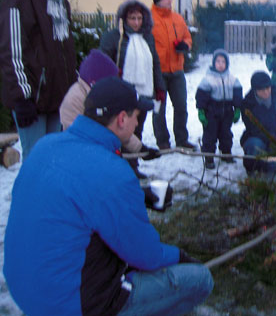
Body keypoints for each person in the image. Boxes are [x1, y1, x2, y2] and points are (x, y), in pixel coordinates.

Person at [3, 76, 213, 315]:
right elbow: (146, 255)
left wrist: (136, 195)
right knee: (199, 279)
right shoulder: (112, 172)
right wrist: (180, 256)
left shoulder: (46, 146)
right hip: (67, 304)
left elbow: (78, 194)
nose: (137, 123)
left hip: (24, 288)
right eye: (136, 116)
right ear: (122, 119)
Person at [0, 0, 78, 161]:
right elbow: (11, 52)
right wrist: (22, 96)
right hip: (31, 99)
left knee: (54, 158)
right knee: (36, 160)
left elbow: (64, 52)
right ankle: (28, 196)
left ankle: (50, 196)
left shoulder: (60, 3)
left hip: (57, 98)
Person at [59, 49, 160, 178]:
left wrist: (140, 149)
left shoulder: (100, 97)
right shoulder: (75, 101)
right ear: (96, 82)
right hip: (82, 165)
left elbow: (119, 127)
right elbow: (81, 141)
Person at [100, 0, 166, 143]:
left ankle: (133, 163)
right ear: (124, 18)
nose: (136, 23)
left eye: (139, 18)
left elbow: (154, 63)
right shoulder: (114, 37)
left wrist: (160, 88)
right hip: (121, 93)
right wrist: (113, 72)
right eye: (132, 18)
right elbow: (102, 63)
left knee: (137, 128)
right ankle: (119, 162)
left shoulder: (148, 37)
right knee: (120, 131)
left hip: (144, 92)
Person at [150, 0, 196, 150]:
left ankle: (182, 139)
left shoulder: (177, 18)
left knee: (181, 106)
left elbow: (187, 37)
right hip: (158, 72)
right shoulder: (149, 19)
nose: (170, 0)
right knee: (159, 109)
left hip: (177, 70)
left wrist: (186, 45)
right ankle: (162, 141)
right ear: (157, 0)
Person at [240, 71, 276, 175]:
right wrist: (272, 139)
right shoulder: (247, 104)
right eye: (261, 89)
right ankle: (254, 170)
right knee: (254, 145)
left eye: (268, 88)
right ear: (255, 90)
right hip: (257, 137)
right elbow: (253, 128)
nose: (266, 92)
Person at [195, 49, 243, 169]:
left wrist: (237, 109)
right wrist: (201, 111)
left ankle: (226, 153)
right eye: (218, 61)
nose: (220, 64)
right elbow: (201, 96)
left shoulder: (232, 79)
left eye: (223, 62)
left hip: (227, 111)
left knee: (226, 134)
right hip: (211, 112)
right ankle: (209, 156)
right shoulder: (208, 79)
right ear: (213, 63)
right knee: (210, 135)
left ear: (227, 64)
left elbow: (237, 94)